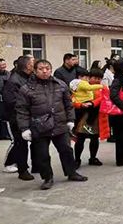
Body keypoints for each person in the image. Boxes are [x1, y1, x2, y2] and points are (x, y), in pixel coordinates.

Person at [16, 59, 86, 190]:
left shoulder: (60, 84)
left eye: (47, 68)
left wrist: (70, 120)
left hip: (59, 124)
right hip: (39, 126)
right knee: (42, 154)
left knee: (66, 150)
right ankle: (47, 178)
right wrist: (24, 128)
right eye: (41, 69)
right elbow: (22, 110)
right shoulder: (26, 89)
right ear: (35, 71)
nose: (44, 71)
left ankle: (71, 172)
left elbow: (68, 105)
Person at [2, 56, 35, 180]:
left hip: (31, 115)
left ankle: (36, 166)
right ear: (28, 66)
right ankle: (22, 169)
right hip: (18, 118)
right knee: (21, 144)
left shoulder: (30, 77)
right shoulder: (14, 81)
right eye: (33, 63)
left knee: (36, 142)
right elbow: (11, 102)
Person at [71, 67, 104, 167]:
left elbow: (103, 98)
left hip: (96, 116)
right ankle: (77, 159)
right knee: (80, 138)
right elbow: (73, 99)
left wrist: (92, 103)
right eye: (95, 78)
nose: (97, 80)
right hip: (83, 116)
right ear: (89, 78)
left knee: (94, 138)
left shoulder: (101, 88)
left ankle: (93, 158)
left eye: (99, 78)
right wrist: (80, 105)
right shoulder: (83, 86)